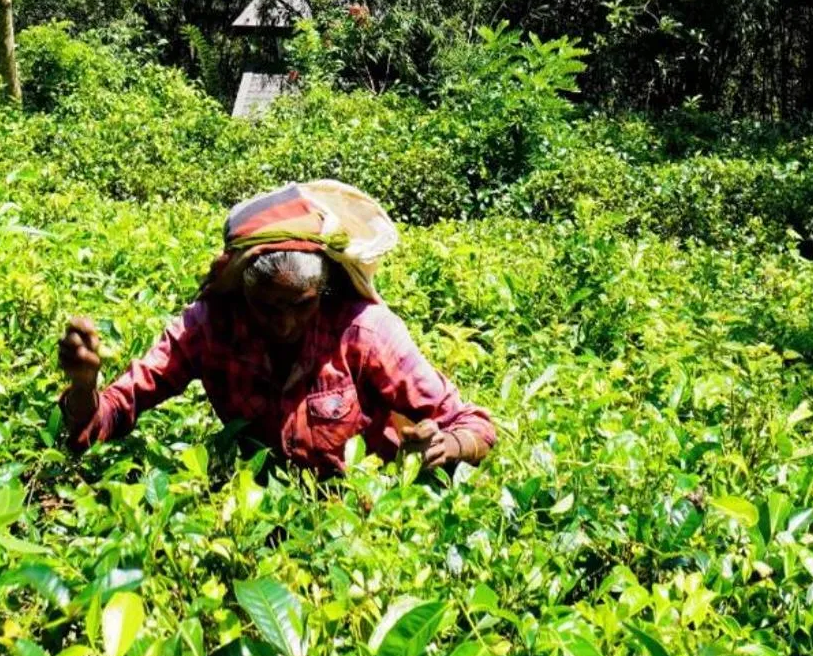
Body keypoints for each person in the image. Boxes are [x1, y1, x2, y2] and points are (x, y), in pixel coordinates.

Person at [57, 181, 496, 473]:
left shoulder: (365, 331)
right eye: (267, 307)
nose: (285, 323)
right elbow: (109, 414)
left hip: (363, 522)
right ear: (242, 291)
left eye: (301, 305)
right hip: (261, 517)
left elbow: (474, 423)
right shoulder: (208, 327)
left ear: (322, 292)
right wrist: (83, 388)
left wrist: (448, 446)